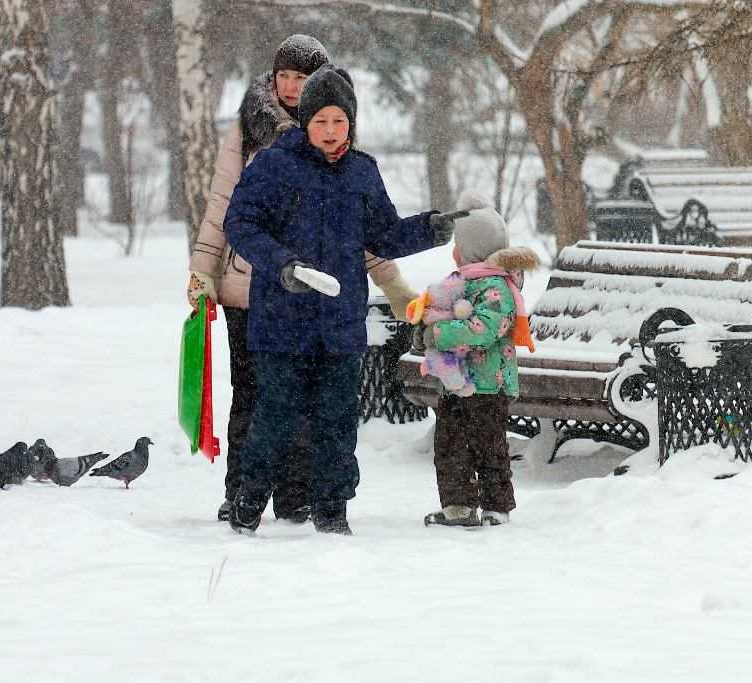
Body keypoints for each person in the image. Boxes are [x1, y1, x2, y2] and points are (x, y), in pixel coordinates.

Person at [186, 36, 418, 524]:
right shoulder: (261, 146)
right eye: (283, 76)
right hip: (262, 298)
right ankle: (245, 496)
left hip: (334, 312)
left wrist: (408, 260)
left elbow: (373, 232)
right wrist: (206, 270)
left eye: (301, 78)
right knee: (265, 405)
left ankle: (313, 501)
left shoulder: (355, 161)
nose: (290, 86)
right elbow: (227, 211)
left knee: (328, 413)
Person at [223, 64, 459, 535]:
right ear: (306, 123)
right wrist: (283, 263)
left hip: (339, 323)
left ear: (351, 122)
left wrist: (429, 229)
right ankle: (248, 502)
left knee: (336, 421)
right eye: (321, 122)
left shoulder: (361, 172)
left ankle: (331, 511)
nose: (331, 132)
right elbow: (240, 225)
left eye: (340, 122)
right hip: (281, 321)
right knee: (275, 415)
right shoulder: (273, 165)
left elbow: (384, 235)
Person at [418, 193, 540, 528]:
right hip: (457, 385)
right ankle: (458, 506)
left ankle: (496, 506)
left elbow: (483, 330)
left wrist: (439, 334)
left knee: (489, 447)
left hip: (488, 384)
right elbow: (438, 312)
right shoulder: (462, 282)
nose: (454, 251)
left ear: (471, 249)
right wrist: (425, 325)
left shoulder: (496, 287)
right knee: (450, 445)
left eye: (458, 244)